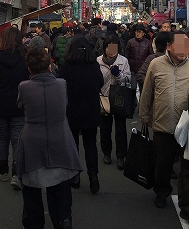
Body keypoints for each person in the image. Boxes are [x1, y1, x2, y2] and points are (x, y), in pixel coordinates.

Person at [139, 31, 189, 227]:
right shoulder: (156, 64)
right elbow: (147, 92)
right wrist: (144, 115)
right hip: (162, 125)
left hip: (187, 128)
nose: (185, 50)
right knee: (162, 165)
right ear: (169, 46)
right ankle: (161, 192)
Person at [17, 47, 82, 229]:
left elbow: (20, 106)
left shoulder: (24, 87)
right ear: (49, 66)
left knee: (31, 190)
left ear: (29, 69)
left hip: (32, 143)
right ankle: (63, 220)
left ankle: (33, 222)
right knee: (60, 188)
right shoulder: (61, 84)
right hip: (60, 140)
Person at [58, 35, 104, 194]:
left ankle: (75, 176)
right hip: (90, 109)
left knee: (73, 144)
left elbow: (60, 85)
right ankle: (93, 176)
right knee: (90, 145)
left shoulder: (67, 66)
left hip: (72, 110)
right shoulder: (94, 65)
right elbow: (100, 83)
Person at [0, 26, 30, 189]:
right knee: (17, 138)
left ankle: (3, 171)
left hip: (0, 100)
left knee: (2, 137)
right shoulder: (24, 56)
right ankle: (16, 173)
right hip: (19, 101)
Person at [98, 34, 131, 169]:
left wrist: (118, 75)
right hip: (103, 98)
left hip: (119, 98)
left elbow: (128, 80)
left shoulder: (123, 61)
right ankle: (106, 153)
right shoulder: (98, 61)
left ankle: (121, 156)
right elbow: (96, 80)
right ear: (105, 48)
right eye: (109, 47)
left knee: (120, 130)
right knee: (105, 129)